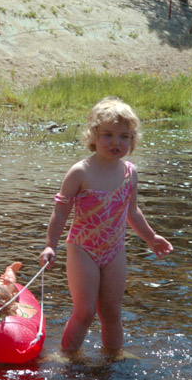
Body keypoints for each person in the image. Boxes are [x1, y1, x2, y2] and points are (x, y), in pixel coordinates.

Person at [39, 97, 173, 353]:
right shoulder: (80, 172)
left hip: (114, 250)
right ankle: (66, 357)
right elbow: (60, 212)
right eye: (108, 135)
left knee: (111, 311)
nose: (115, 142)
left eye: (124, 137)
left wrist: (151, 237)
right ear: (93, 135)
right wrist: (50, 246)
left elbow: (131, 211)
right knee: (86, 311)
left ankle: (113, 358)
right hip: (82, 248)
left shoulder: (129, 172)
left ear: (132, 140)